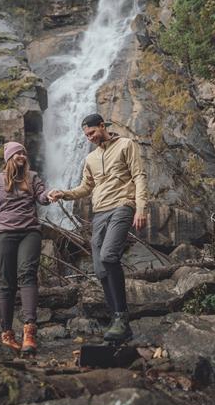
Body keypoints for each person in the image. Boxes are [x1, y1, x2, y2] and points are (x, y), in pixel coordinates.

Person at [48, 113, 148, 342]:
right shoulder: (90, 158)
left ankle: (122, 316)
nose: (90, 138)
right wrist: (63, 193)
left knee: (109, 256)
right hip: (100, 212)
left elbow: (139, 176)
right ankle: (117, 320)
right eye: (86, 135)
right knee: (100, 268)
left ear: (102, 126)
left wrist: (141, 208)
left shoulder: (126, 144)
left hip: (123, 206)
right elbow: (85, 188)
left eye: (92, 132)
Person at [0, 141, 50, 354]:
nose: (22, 155)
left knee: (27, 275)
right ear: (9, 157)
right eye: (18, 152)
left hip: (30, 231)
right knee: (6, 283)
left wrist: (51, 195)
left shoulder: (32, 177)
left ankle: (29, 332)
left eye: (24, 153)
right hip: (4, 234)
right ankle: (7, 333)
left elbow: (42, 196)